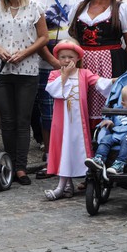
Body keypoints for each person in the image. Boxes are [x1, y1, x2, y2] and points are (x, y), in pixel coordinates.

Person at [0, 0, 49, 186]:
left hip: (27, 70)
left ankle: (21, 166)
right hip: (1, 69)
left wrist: (25, 52)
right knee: (7, 119)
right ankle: (8, 163)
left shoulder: (34, 7)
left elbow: (43, 37)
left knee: (22, 119)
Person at [44, 40, 112, 199]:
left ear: (77, 58)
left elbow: (101, 83)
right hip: (62, 122)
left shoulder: (84, 73)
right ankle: (63, 185)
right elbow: (53, 90)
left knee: (75, 149)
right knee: (63, 149)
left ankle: (68, 185)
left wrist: (116, 81)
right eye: (63, 57)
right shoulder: (55, 74)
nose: (67, 60)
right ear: (58, 58)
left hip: (78, 123)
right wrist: (64, 75)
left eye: (70, 57)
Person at [69, 0, 127, 124]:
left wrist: (121, 64)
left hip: (111, 63)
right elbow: (74, 37)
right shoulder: (80, 7)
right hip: (83, 64)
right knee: (83, 103)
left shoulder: (122, 9)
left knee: (109, 103)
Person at [35, 0, 85, 162]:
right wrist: (54, 63)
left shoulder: (82, 1)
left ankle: (77, 155)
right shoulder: (38, 4)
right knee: (48, 114)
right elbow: (37, 39)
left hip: (77, 67)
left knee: (77, 112)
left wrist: (77, 64)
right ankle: (50, 156)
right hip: (47, 66)